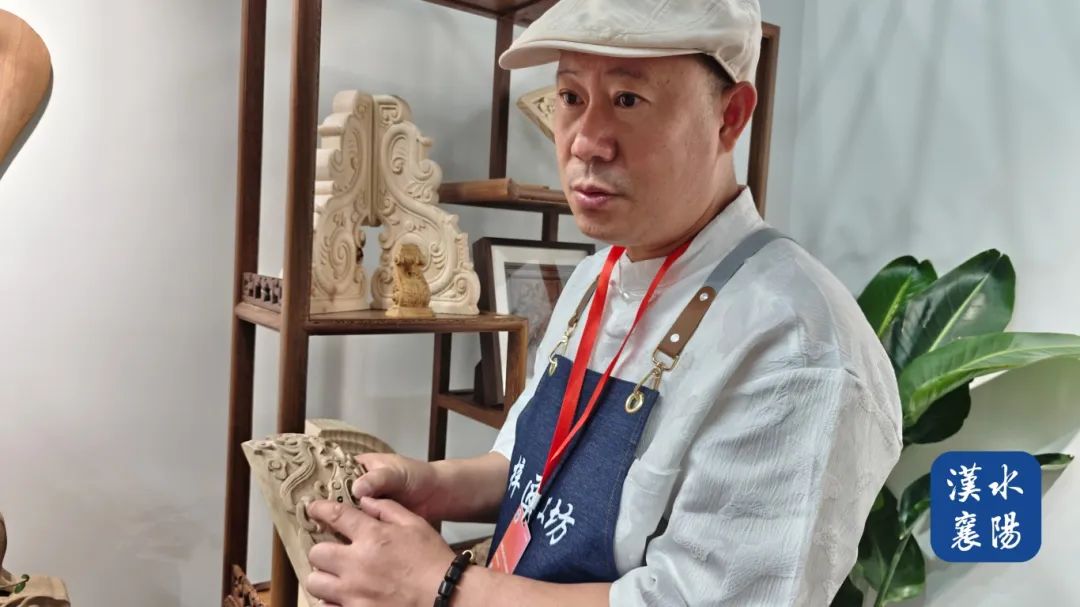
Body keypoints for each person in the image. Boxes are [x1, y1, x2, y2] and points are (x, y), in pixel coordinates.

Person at [303, 0, 903, 605]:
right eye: (571, 96)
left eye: (627, 99)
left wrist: (440, 585)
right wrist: (433, 484)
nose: (586, 142)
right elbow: (536, 463)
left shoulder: (795, 345)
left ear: (730, 116)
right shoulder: (597, 275)